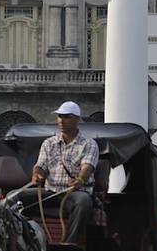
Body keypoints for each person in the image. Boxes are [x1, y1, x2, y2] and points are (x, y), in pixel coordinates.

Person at [8, 101, 97, 243]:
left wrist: (80, 180)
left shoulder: (89, 144)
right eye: (59, 116)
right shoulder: (49, 143)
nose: (61, 120)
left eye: (66, 117)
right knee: (11, 197)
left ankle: (68, 245)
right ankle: (16, 240)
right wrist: (37, 174)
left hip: (73, 193)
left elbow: (87, 167)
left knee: (84, 202)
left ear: (77, 119)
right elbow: (40, 165)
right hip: (50, 192)